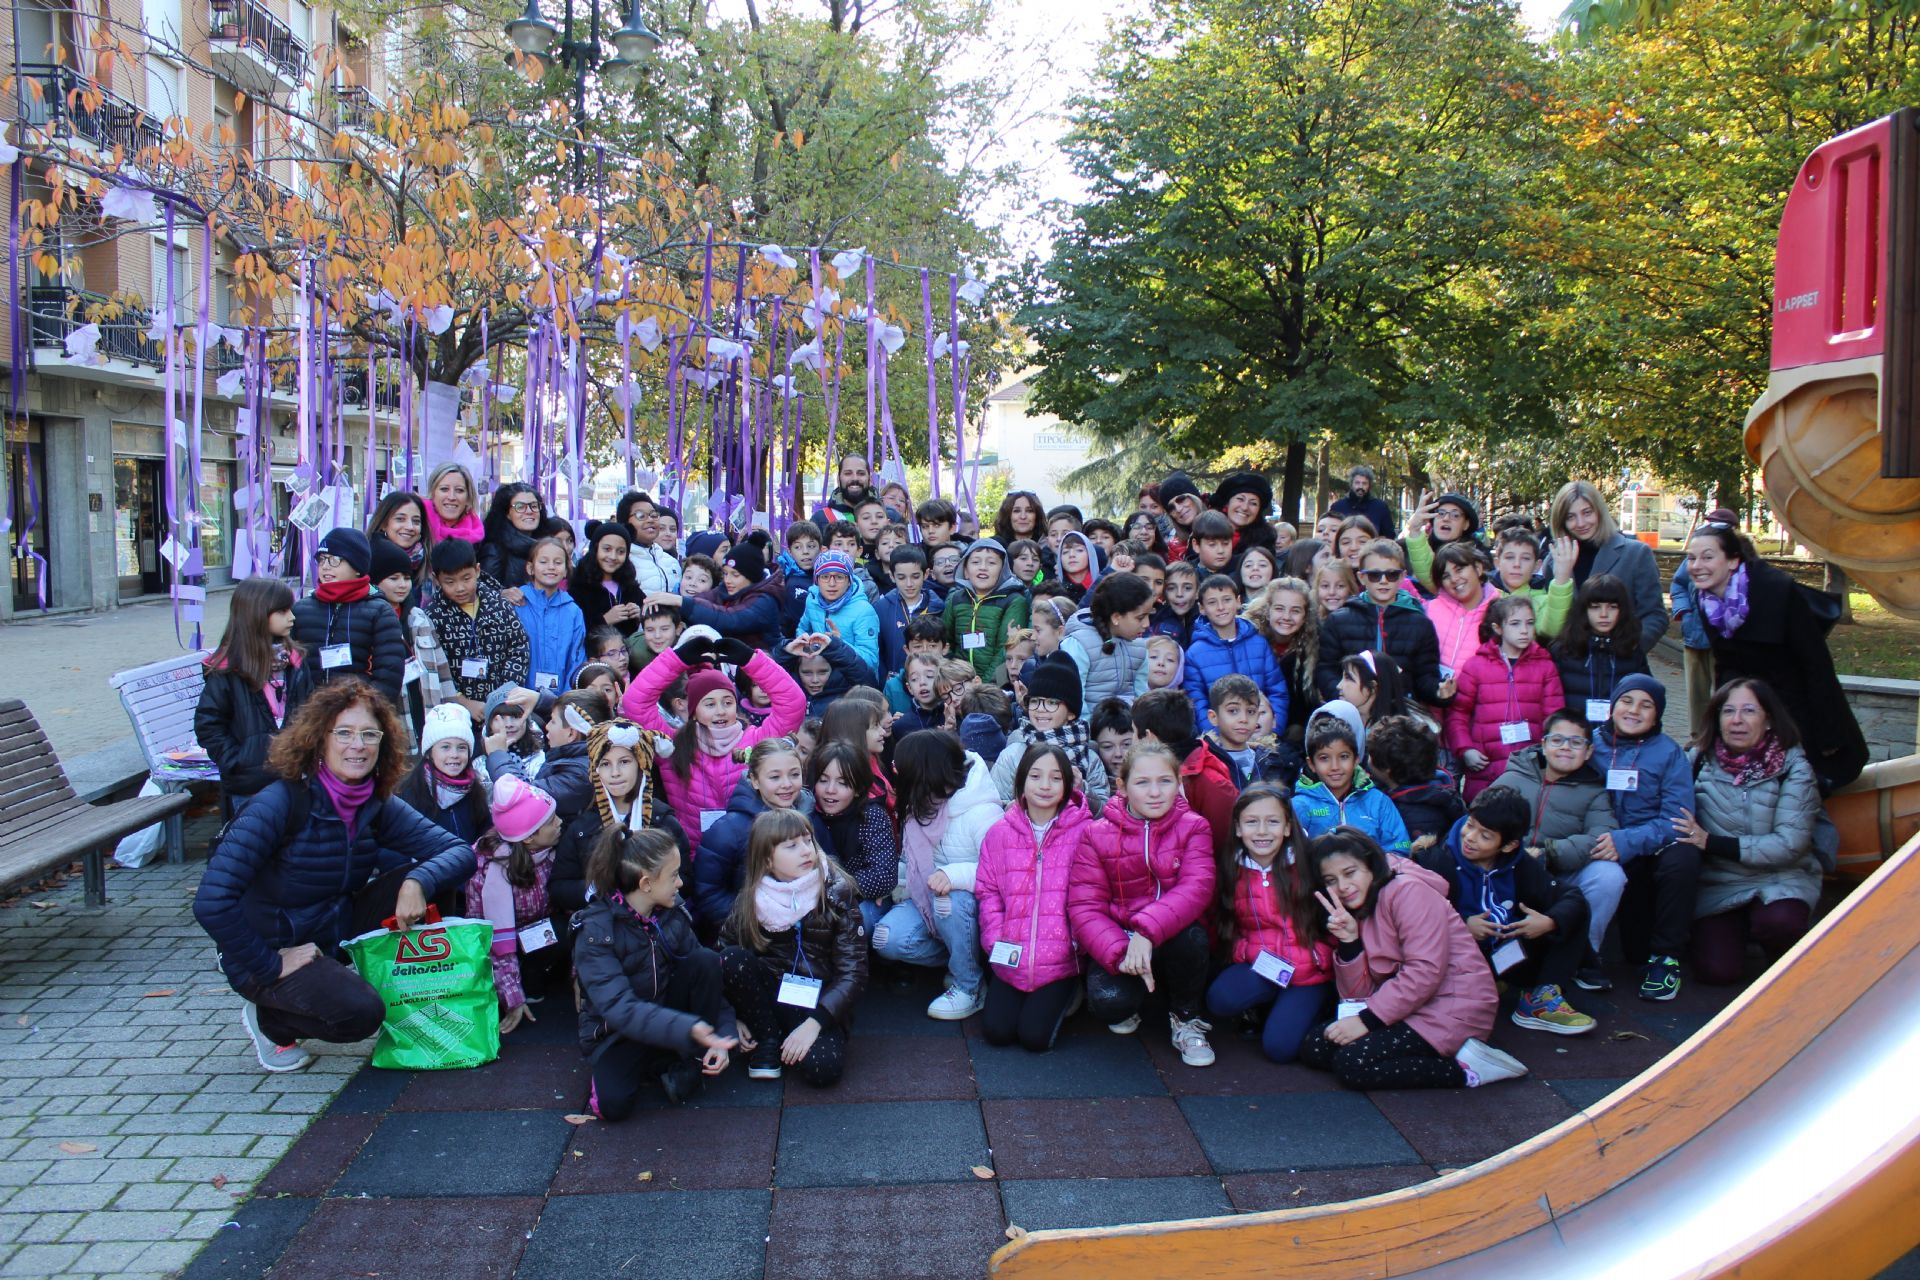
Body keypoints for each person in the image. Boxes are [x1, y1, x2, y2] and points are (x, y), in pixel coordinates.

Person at [192, 680, 476, 1073]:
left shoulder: (373, 801)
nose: (357, 745)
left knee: (433, 881)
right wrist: (269, 963)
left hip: (330, 929)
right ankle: (270, 1020)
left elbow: (460, 853)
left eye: (369, 734)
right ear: (318, 739)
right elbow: (211, 901)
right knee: (360, 1014)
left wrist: (418, 882)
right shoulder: (278, 803)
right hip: (266, 950)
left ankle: (413, 991)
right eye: (343, 733)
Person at [1299, 830, 1526, 1089]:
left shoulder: (1408, 891)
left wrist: (1366, 1021)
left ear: (1371, 864)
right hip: (1404, 1006)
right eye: (1331, 880)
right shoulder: (1355, 908)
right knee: (1315, 1047)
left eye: (1350, 873)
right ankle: (1422, 1054)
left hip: (1453, 1006)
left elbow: (1425, 970)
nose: (1342, 887)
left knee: (1352, 1064)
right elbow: (1358, 995)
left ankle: (1468, 1070)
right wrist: (1350, 942)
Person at [1684, 523, 1867, 791]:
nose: (1697, 566)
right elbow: (1726, 665)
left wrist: (1829, 734)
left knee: (1802, 788)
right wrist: (1718, 723)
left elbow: (1816, 664)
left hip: (1799, 710)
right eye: (1691, 558)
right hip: (1755, 713)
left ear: (1733, 561)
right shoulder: (1707, 601)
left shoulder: (1776, 590)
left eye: (1707, 557)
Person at [1068, 741, 1218, 1066]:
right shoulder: (1096, 834)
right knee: (1110, 1002)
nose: (1155, 792)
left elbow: (1196, 888)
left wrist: (1146, 932)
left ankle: (1186, 1017)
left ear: (1178, 782)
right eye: (1142, 782)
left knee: (1193, 939)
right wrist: (1120, 953)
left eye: (1165, 781)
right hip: (1123, 939)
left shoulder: (1194, 826)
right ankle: (1140, 991)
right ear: (1122, 787)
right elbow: (1085, 906)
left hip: (1171, 934)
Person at [571, 827, 736, 1115]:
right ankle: (667, 1063)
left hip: (666, 1015)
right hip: (620, 1032)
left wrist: (723, 1032)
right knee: (613, 1107)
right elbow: (621, 1009)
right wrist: (689, 1028)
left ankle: (685, 1057)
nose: (681, 883)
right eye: (673, 876)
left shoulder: (671, 912)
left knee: (706, 960)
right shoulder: (596, 931)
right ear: (646, 884)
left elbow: (704, 973)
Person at [1415, 787, 1595, 1035]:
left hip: (1506, 952)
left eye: (1485, 836)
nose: (1470, 837)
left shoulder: (1518, 864)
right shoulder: (1436, 860)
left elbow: (1570, 897)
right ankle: (1475, 988)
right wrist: (1463, 926)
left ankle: (1542, 998)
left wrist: (1548, 922)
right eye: (1470, 825)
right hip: (1454, 960)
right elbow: (1416, 920)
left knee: (1572, 910)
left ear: (1509, 845)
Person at [1681, 679, 1826, 986]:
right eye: (1728, 711)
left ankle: (1782, 963)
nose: (1737, 720)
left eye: (1749, 711)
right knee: (1716, 972)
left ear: (1768, 719)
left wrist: (1710, 842)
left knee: (1780, 925)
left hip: (1780, 878)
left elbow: (1790, 844)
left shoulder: (1793, 766)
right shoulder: (1697, 761)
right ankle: (1737, 930)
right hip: (1719, 882)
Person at [619, 632, 808, 859]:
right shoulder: (672, 746)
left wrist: (751, 660)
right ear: (693, 711)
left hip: (755, 854)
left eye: (727, 702)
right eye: (709, 704)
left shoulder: (757, 741)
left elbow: (793, 704)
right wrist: (677, 660)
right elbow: (635, 703)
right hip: (694, 857)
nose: (720, 711)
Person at [718, 808, 868, 1084]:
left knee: (823, 1069)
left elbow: (853, 972)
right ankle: (768, 1037)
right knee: (731, 958)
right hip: (770, 996)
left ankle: (794, 1034)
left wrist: (816, 1023)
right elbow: (723, 953)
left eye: (808, 840)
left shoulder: (837, 893)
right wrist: (731, 1018)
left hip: (818, 1001)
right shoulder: (752, 898)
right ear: (767, 859)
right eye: (791, 846)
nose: (806, 850)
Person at [868, 731, 1000, 1019]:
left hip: (970, 906)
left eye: (900, 767)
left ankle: (969, 986)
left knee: (949, 900)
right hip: (927, 899)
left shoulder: (981, 811)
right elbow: (912, 861)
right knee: (886, 939)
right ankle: (964, 959)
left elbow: (1001, 872)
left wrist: (953, 875)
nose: (896, 772)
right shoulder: (921, 802)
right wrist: (890, 882)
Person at [974, 744, 1092, 1054]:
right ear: (1022, 782)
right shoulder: (999, 833)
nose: (1045, 785)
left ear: (1067, 784)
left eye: (1056, 778)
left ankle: (1071, 992)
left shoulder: (1086, 832)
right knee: (997, 1032)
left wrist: (1076, 942)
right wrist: (995, 939)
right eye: (1036, 776)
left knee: (1034, 1037)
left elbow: (1092, 895)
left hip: (1060, 959)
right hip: (1011, 954)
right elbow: (988, 892)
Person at [1205, 784, 1334, 1064]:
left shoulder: (1310, 864)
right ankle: (1267, 1004)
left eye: (1272, 821)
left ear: (1287, 827)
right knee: (1220, 999)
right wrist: (1245, 952)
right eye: (1252, 822)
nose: (1262, 831)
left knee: (1279, 1048)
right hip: (1267, 965)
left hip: (1310, 972)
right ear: (1238, 828)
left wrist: (1321, 958)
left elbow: (1334, 921)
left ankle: (1316, 1006)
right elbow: (1226, 925)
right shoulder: (1231, 868)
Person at [1588, 674, 1698, 998]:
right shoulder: (1589, 745)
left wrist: (1628, 841)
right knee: (1633, 950)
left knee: (1684, 856)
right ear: (1612, 706)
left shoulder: (1669, 753)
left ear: (1657, 714)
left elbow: (1678, 820)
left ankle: (1666, 958)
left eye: (1645, 705)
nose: (1634, 710)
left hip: (1649, 849)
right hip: (1600, 845)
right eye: (1626, 701)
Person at [548, 718, 687, 919]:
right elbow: (559, 888)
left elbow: (686, 879)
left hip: (658, 923)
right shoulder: (581, 827)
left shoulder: (662, 821)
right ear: (595, 769)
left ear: (641, 763)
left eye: (624, 762)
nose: (615, 773)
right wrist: (596, 888)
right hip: (603, 926)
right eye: (605, 764)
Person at [198, 576, 314, 817]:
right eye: (282, 611)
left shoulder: (295, 661)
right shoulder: (228, 670)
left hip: (297, 776)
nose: (292, 617)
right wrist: (237, 762)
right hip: (250, 785)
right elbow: (208, 725)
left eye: (290, 609)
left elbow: (311, 711)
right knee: (255, 837)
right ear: (257, 614)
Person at [467, 776, 565, 1035]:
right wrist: (512, 998)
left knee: (566, 929)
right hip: (502, 947)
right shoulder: (490, 870)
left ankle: (535, 975)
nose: (560, 822)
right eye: (551, 821)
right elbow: (491, 937)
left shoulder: (553, 853)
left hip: (537, 938)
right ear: (529, 837)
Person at [1444, 595, 1563, 800]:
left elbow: (1555, 718)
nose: (1524, 630)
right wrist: (1465, 749)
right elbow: (1458, 714)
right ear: (1498, 628)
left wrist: (1547, 755)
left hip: (1531, 768)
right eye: (1515, 624)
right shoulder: (1475, 666)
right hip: (1486, 768)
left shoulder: (1546, 666)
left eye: (1530, 623)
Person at [690, 737, 811, 933]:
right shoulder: (729, 830)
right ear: (754, 780)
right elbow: (708, 893)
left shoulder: (809, 817)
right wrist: (755, 920)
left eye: (794, 774)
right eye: (775, 777)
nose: (787, 784)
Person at [1541, 481, 1668, 651]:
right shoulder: (1555, 559)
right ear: (1561, 521)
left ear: (1599, 511)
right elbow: (1548, 620)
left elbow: (1654, 615)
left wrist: (1630, 652)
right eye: (1570, 517)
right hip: (1570, 662)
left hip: (1622, 659)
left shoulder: (1636, 554)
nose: (1580, 523)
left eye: (1587, 513)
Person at [1315, 541, 1445, 705]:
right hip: (1351, 710)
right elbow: (1326, 670)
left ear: (1402, 577)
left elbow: (1425, 675)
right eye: (1374, 575)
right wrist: (1344, 698)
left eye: (1392, 575)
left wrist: (1439, 691)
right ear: (1362, 578)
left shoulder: (1420, 624)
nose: (1383, 581)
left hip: (1400, 711)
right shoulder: (1338, 621)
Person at [293, 528, 407, 706]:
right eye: (321, 559)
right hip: (309, 713)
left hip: (358, 712)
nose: (325, 566)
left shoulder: (379, 611)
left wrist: (365, 710)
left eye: (335, 560)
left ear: (357, 567)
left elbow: (389, 675)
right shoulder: (301, 609)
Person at [423, 537, 531, 722]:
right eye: (450, 582)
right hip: (456, 713)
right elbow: (434, 666)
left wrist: (503, 694)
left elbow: (519, 648)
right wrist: (462, 701)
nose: (460, 588)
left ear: (478, 570)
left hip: (503, 705)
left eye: (466, 578)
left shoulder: (499, 605)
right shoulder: (434, 616)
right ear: (436, 579)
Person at [991, 652, 1110, 812]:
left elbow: (1105, 813)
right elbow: (995, 808)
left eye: (1052, 702)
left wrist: (1082, 790)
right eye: (1035, 701)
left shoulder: (1090, 758)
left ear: (1071, 712)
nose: (1041, 709)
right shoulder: (1013, 755)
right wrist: (1019, 807)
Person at [804, 740, 900, 932]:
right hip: (812, 899)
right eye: (823, 780)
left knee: (849, 922)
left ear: (858, 789)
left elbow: (884, 874)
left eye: (843, 783)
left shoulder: (871, 816)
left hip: (863, 899)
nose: (830, 789)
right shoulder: (806, 813)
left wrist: (838, 889)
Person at [1130, 688, 1236, 857]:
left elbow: (1222, 850)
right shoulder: (1145, 771)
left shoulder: (1212, 785)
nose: (1132, 742)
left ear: (1149, 737)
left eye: (1134, 733)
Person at [1292, 710, 1411, 850]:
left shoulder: (1378, 802)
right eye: (1324, 758)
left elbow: (1400, 849)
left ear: (1356, 760)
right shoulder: (1300, 806)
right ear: (1311, 764)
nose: (1335, 767)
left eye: (1344, 757)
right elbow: (1292, 854)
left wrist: (1373, 862)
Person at [1184, 574, 1288, 730]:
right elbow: (1198, 704)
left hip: (1262, 734)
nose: (1221, 607)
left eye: (1227, 600)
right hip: (1221, 739)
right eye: (1212, 602)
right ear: (1202, 608)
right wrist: (1217, 739)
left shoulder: (1259, 643)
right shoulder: (1195, 654)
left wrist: (1273, 730)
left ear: (1238, 601)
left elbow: (1277, 691)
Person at [648, 543, 789, 654]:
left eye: (735, 575)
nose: (727, 580)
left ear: (752, 576)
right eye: (726, 573)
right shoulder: (729, 588)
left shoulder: (765, 600)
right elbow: (705, 598)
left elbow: (730, 619)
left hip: (764, 664)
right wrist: (664, 606)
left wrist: (682, 602)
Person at [1552, 574, 1652, 725]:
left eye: (1612, 607)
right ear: (1583, 610)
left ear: (1622, 610)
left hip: (1617, 734)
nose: (1604, 614)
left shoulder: (1632, 651)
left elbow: (1648, 697)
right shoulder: (1563, 650)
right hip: (1573, 734)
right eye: (1595, 607)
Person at [394, 703, 493, 843]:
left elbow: (485, 831)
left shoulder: (475, 791)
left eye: (461, 748)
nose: (454, 754)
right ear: (429, 753)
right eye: (445, 747)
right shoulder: (409, 795)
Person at [1061, 571, 1156, 708]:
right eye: (1140, 618)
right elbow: (1073, 698)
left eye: (1149, 615)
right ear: (1116, 617)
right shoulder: (1079, 644)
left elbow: (1141, 698)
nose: (1147, 624)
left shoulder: (1139, 648)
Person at [1367, 715, 1464, 846]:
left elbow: (1403, 851)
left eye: (1371, 754)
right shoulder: (1441, 787)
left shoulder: (1411, 818)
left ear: (1386, 768)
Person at [944, 539, 1031, 685]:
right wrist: (956, 682)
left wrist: (983, 686)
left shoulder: (1014, 601)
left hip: (995, 686)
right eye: (975, 562)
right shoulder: (956, 599)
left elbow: (1006, 649)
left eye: (991, 563)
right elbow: (946, 643)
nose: (983, 568)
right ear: (965, 570)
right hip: (959, 685)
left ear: (1002, 570)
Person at [514, 537, 588, 696]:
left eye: (558, 562)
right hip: (519, 696)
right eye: (543, 562)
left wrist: (565, 698)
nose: (551, 567)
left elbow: (577, 659)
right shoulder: (517, 603)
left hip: (559, 697)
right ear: (530, 568)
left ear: (566, 570)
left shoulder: (573, 611)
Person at [799, 549, 883, 673]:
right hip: (819, 676)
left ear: (849, 580)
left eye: (839, 577)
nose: (832, 583)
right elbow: (802, 630)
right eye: (825, 576)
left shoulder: (864, 611)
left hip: (852, 680)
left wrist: (840, 645)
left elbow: (871, 662)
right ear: (817, 580)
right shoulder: (812, 600)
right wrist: (807, 645)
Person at [1424, 543, 1498, 677]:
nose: (1454, 579)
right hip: (1432, 689)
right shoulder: (1429, 610)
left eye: (1459, 569)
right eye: (1446, 576)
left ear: (1478, 568)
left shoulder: (1499, 612)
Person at [1493, 525, 1573, 641]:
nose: (1517, 564)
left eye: (1525, 558)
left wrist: (1562, 579)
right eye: (1510, 557)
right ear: (1497, 563)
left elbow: (1552, 630)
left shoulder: (1541, 601)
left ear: (1537, 566)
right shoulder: (1485, 595)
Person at [567, 522, 645, 638]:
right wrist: (604, 620)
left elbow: (652, 617)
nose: (613, 557)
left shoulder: (630, 587)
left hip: (627, 649)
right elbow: (572, 630)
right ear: (595, 549)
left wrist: (641, 615)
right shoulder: (579, 588)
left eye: (621, 551)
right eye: (607, 549)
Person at [1404, 491, 1487, 596]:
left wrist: (1415, 533)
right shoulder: (1405, 549)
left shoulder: (1478, 554)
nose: (1446, 518)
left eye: (1455, 515)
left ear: (1466, 524)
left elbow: (1436, 585)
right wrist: (1414, 530)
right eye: (1441, 513)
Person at [876, 546, 943, 674]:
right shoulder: (881, 608)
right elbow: (878, 652)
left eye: (915, 577)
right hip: (894, 682)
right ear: (892, 576)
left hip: (933, 680)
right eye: (901, 578)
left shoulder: (938, 608)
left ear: (926, 574)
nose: (909, 584)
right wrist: (884, 679)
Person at [478, 482, 548, 596]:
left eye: (534, 506)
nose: (529, 511)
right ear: (507, 513)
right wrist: (501, 594)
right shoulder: (495, 550)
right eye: (520, 507)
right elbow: (484, 594)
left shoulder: (548, 544)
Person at [615, 490, 682, 597]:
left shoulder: (672, 562)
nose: (650, 520)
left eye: (653, 515)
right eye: (641, 515)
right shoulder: (619, 562)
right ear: (625, 522)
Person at [369, 490, 432, 601]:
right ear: (384, 524)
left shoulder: (428, 563)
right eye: (400, 519)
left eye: (416, 521)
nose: (410, 527)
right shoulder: (367, 561)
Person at [1328, 464, 1397, 540]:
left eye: (1364, 483)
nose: (1360, 487)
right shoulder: (1338, 507)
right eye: (1357, 483)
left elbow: (1389, 536)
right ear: (1351, 484)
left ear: (1369, 486)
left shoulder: (1380, 507)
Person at [424, 462, 485, 546]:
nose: (451, 497)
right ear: (432, 493)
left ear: (468, 497)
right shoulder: (418, 530)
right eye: (444, 489)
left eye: (459, 490)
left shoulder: (482, 541)